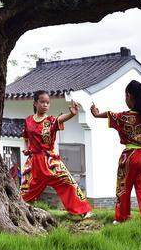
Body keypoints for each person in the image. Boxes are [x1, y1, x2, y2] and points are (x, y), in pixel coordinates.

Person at [90, 80, 141, 223]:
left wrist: (96, 114)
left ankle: (122, 218)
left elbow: (110, 115)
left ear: (129, 96)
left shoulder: (125, 117)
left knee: (124, 188)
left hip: (129, 156)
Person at [20, 90, 93, 218]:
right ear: (35, 103)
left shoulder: (51, 120)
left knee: (68, 182)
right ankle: (18, 211)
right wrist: (27, 149)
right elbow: (26, 137)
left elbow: (61, 118)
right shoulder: (28, 121)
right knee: (26, 189)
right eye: (42, 102)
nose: (45, 105)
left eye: (48, 103)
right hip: (34, 163)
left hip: (50, 161)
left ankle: (83, 211)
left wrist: (71, 113)